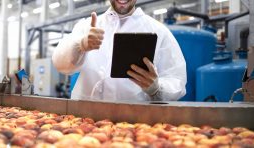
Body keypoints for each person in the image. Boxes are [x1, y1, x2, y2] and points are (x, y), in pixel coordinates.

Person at [52, 0, 186, 101]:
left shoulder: (159, 31)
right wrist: (80, 44)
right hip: (85, 120)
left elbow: (176, 80)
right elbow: (59, 64)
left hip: (133, 123)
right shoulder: (88, 26)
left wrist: (157, 88)